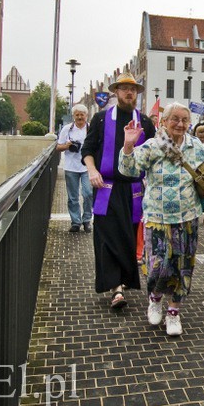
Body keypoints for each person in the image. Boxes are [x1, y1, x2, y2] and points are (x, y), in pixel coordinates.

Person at [119, 102, 204, 335]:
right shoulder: (152, 146)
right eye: (174, 119)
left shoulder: (194, 146)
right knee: (158, 266)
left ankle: (174, 312)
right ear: (164, 122)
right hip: (157, 218)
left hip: (187, 217)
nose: (179, 124)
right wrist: (128, 145)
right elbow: (128, 171)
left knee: (183, 266)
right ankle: (155, 298)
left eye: (184, 120)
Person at [81, 71, 155, 310]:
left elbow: (155, 155)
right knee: (106, 237)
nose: (129, 92)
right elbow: (88, 149)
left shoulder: (144, 122)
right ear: (116, 92)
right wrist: (92, 171)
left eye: (132, 89)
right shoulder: (101, 119)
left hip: (134, 189)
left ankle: (123, 281)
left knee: (127, 236)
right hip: (106, 186)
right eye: (124, 88)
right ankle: (116, 289)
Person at [57, 104, 93, 233]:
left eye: (82, 114)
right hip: (71, 167)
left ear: (86, 116)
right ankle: (76, 222)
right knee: (73, 197)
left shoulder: (91, 129)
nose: (79, 117)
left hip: (87, 167)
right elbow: (58, 147)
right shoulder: (67, 129)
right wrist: (67, 146)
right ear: (73, 116)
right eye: (77, 115)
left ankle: (87, 220)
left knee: (88, 193)